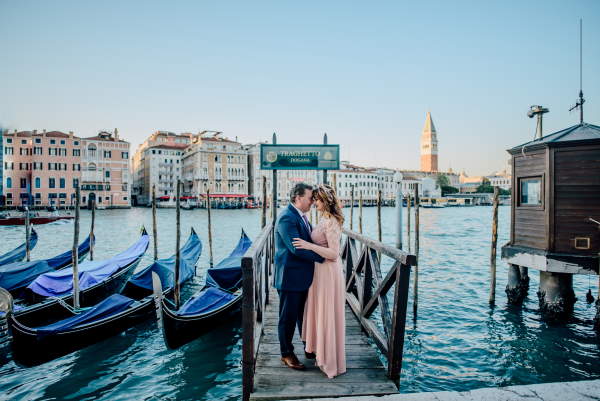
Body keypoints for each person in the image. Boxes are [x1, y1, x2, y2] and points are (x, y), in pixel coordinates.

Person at [293, 184, 346, 378]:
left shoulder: (331, 221)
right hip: (319, 271)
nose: (314, 203)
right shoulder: (323, 218)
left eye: (317, 199)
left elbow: (334, 253)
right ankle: (320, 352)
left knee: (327, 313)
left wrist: (308, 245)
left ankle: (330, 359)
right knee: (319, 311)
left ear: (325, 200)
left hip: (328, 272)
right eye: (313, 199)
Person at [274, 183, 325, 370]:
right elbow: (297, 248)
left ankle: (308, 347)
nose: (313, 201)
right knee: (287, 317)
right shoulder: (287, 218)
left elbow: (308, 242)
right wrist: (323, 257)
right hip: (289, 277)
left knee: (303, 315)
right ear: (298, 198)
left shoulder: (302, 217)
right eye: (310, 197)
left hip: (302, 276)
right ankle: (286, 353)